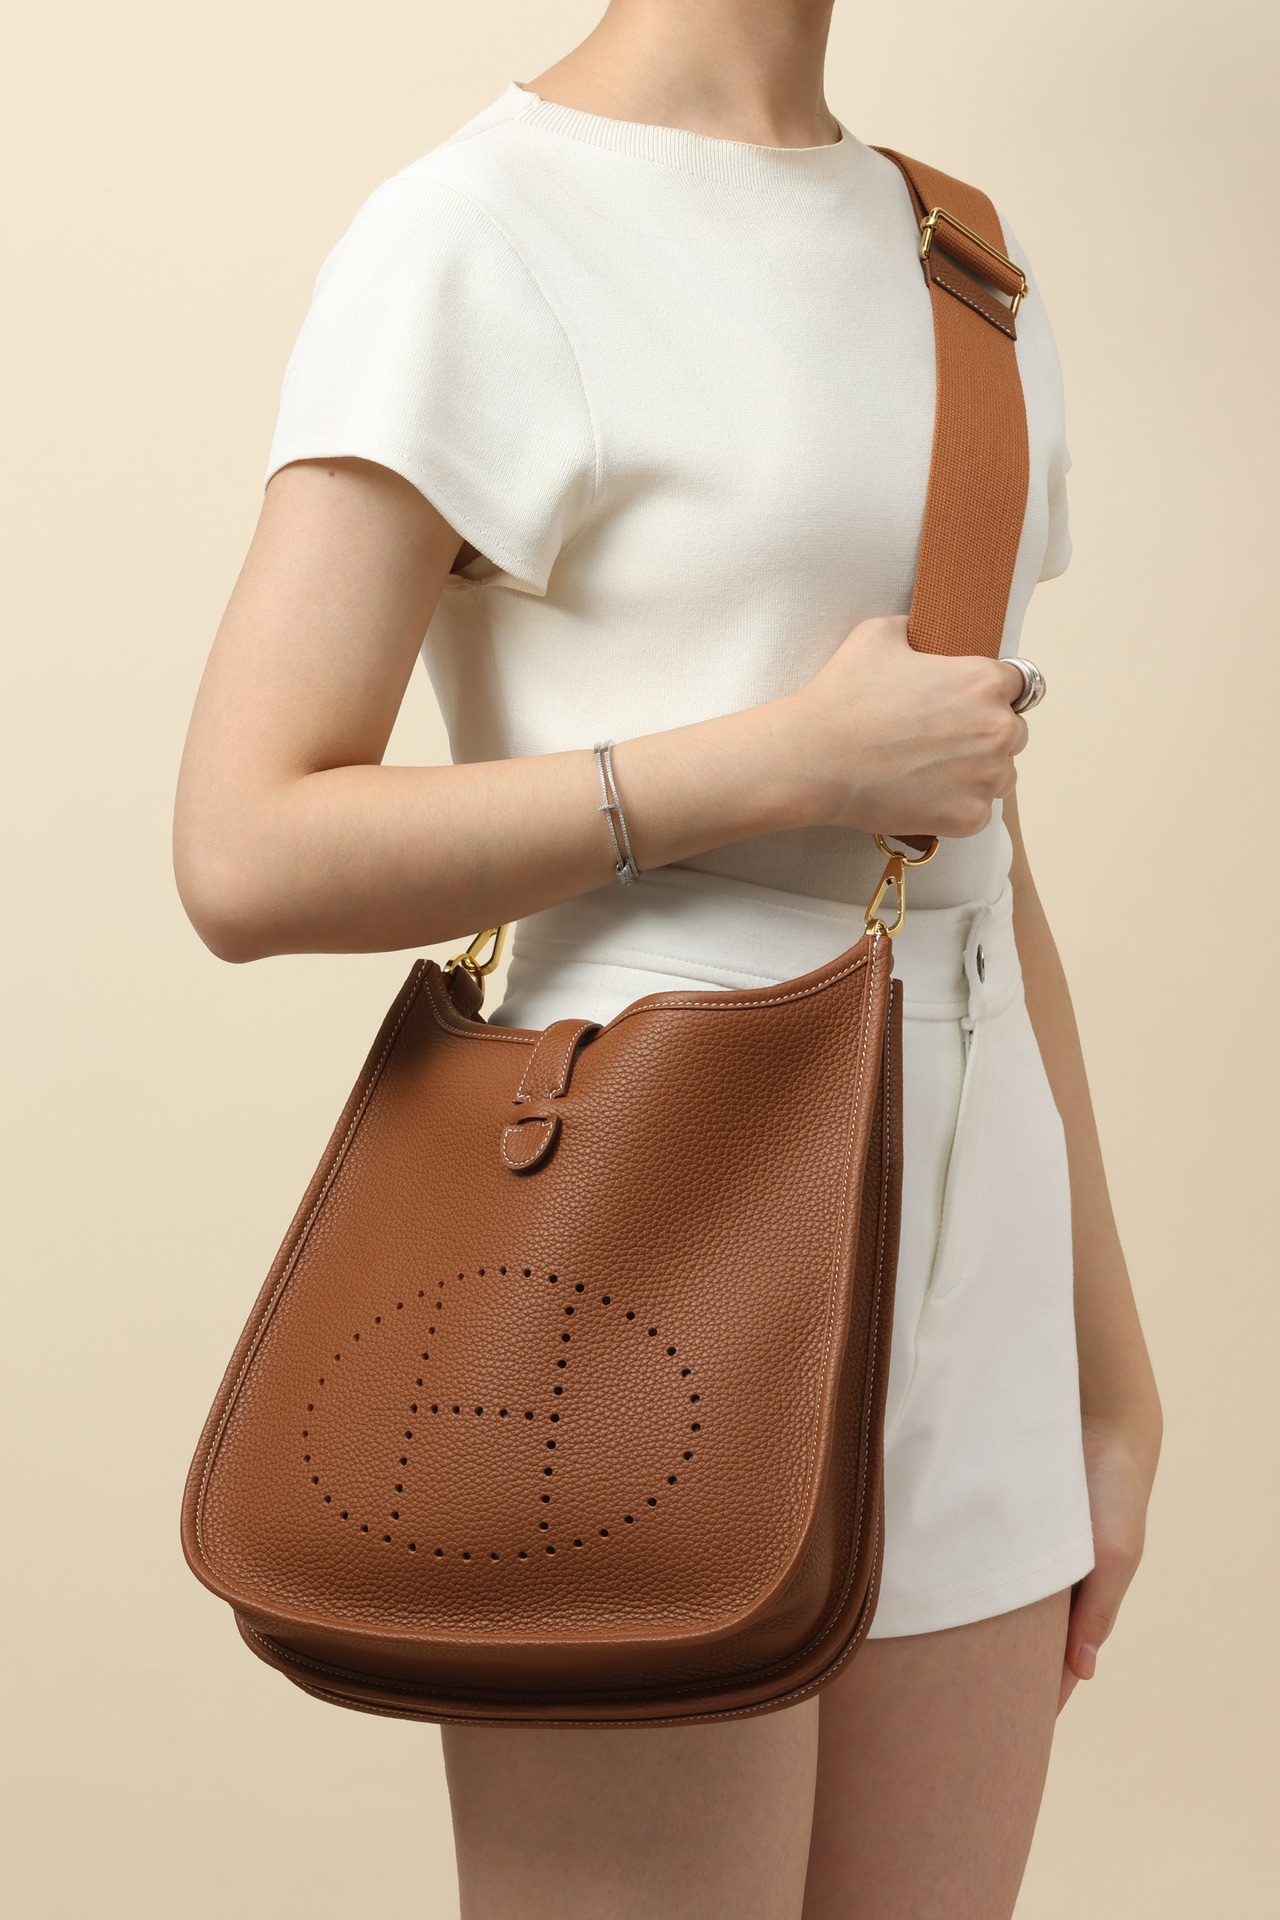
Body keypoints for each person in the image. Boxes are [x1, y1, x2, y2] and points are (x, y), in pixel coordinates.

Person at [173, 3, 1162, 1914]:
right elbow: (243, 846)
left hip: (977, 1247)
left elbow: (971, 844)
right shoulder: (483, 231)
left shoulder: (962, 256)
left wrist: (1106, 1379)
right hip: (633, 1226)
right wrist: (779, 762)